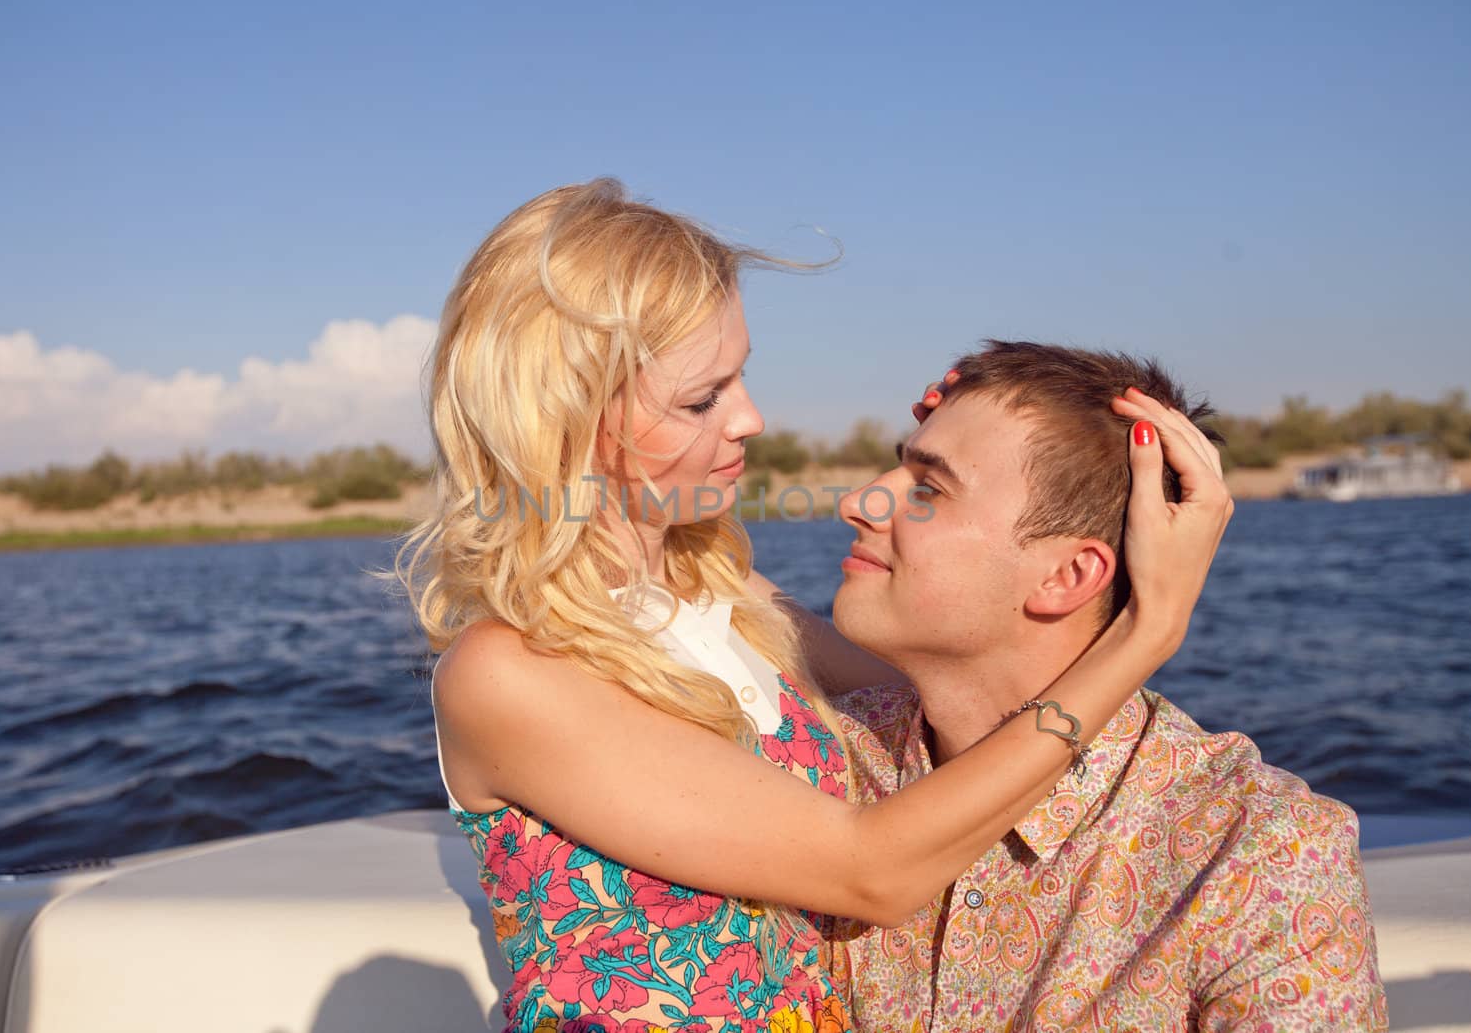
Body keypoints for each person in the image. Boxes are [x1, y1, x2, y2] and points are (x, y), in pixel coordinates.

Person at [399, 179, 1231, 1032]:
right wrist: (1147, 631)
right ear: (563, 422)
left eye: (741, 377)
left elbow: (962, 696)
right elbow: (869, 869)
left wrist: (1008, 435)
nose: (751, 418)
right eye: (702, 399)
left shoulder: (723, 594)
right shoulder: (507, 672)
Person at [814, 341, 1387, 1031]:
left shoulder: (1259, 855)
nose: (856, 502)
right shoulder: (814, 759)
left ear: (1068, 576)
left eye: (929, 487)